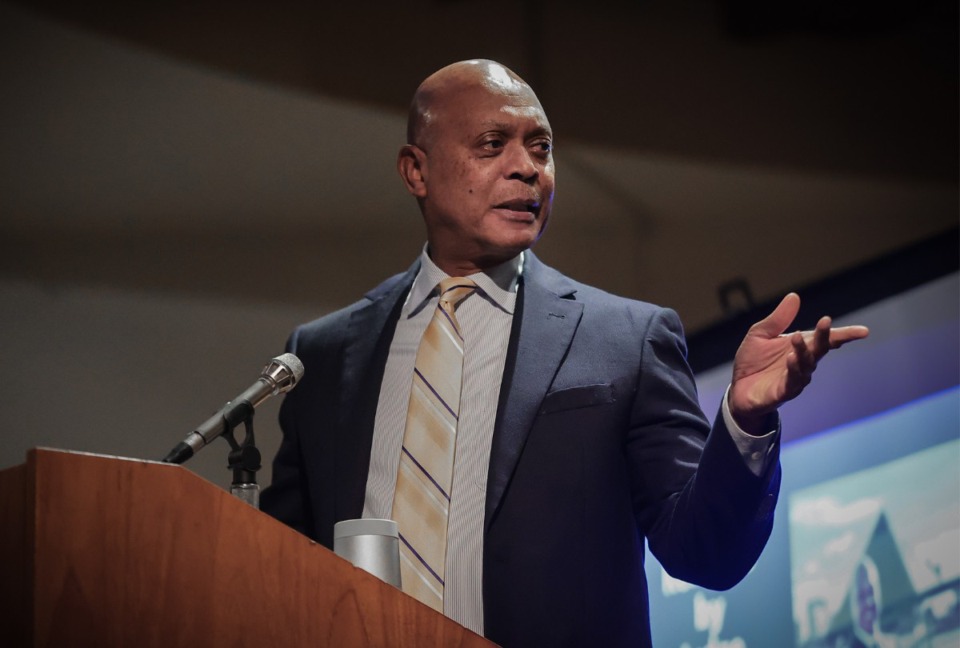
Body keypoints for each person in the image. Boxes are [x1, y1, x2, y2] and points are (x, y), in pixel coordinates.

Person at [260, 59, 869, 647]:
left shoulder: (627, 339)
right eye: (493, 143)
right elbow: (279, 575)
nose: (527, 169)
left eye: (541, 147)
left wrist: (745, 420)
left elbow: (705, 552)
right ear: (416, 171)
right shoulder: (324, 355)